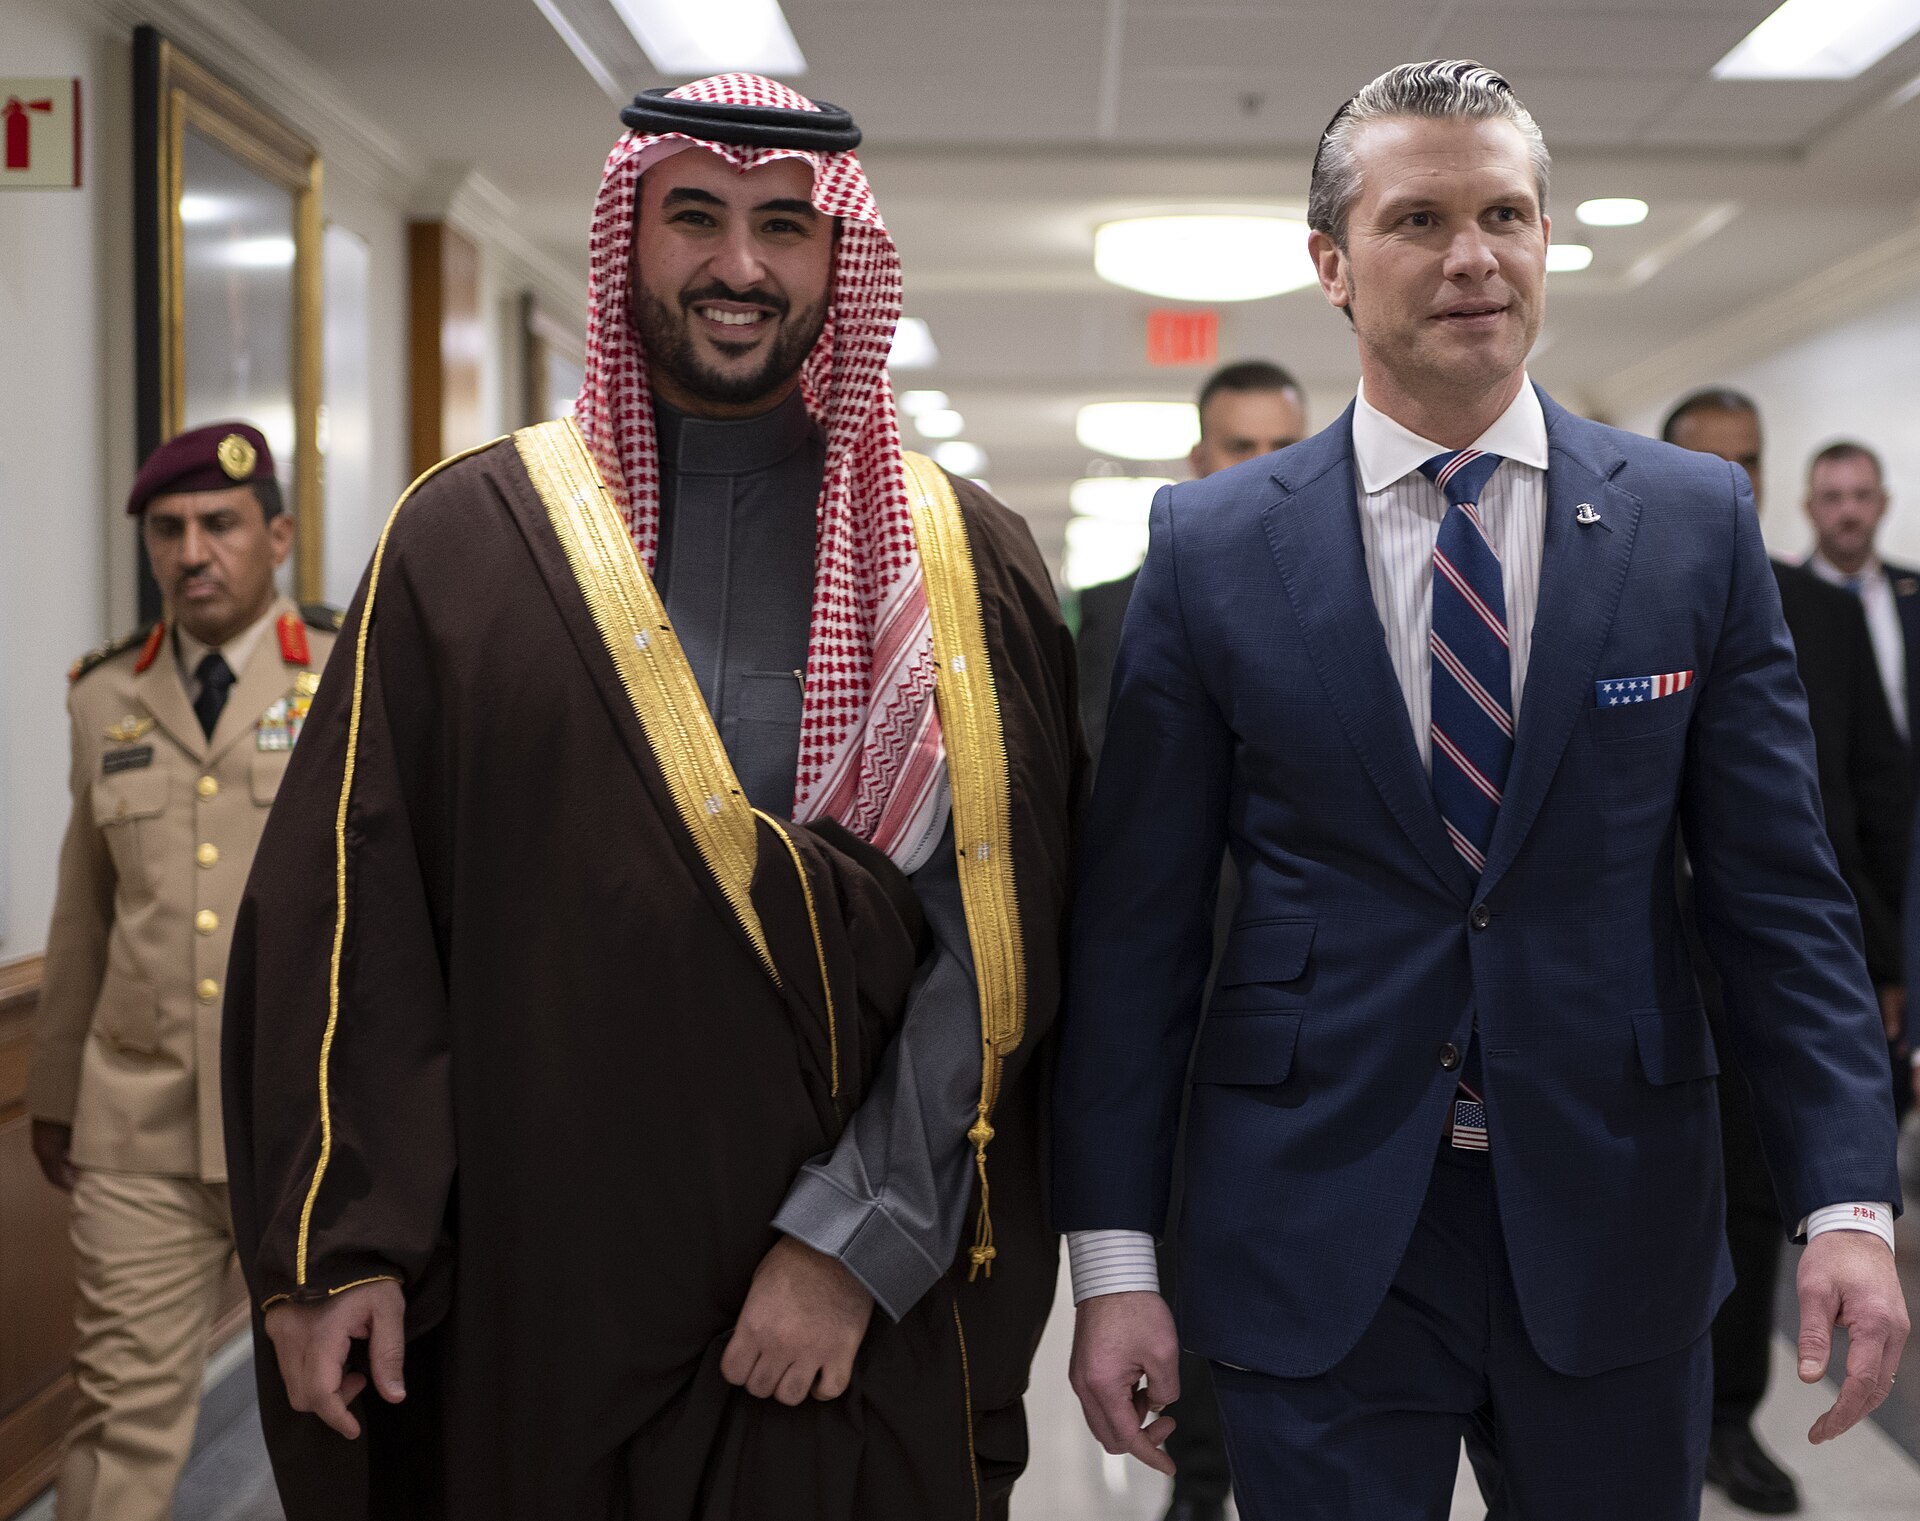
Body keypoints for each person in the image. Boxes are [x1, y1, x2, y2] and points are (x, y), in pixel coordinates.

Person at [1053, 59, 1908, 1521]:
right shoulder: (1210, 550)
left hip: (1614, 1215)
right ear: (1330, 262)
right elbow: (1139, 936)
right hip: (1315, 1221)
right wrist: (1119, 1265)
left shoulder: (1687, 528)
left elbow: (1782, 902)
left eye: (1507, 213)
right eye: (1419, 219)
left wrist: (1847, 1202)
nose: (1473, 257)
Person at [221, 75, 1081, 1521]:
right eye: (697, 217)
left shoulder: (958, 561)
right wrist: (337, 1242)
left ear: (837, 257)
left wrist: (853, 1243)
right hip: (535, 1285)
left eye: (781, 228)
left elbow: (1000, 952)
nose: (738, 267)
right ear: (630, 236)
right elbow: (350, 912)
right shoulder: (467, 543)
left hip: (843, 1317)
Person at [26, 422, 339, 1521]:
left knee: (344, 1408)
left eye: (219, 524)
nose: (192, 551)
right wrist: (56, 1093)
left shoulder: (348, 674)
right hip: (139, 1124)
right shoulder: (103, 696)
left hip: (312, 1121)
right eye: (169, 529)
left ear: (278, 537)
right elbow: (86, 911)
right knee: (123, 1412)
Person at [1664, 395, 1912, 1514]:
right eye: (1711, 462)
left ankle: (1728, 1421)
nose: (1738, 481)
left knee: (1759, 1201)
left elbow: (1869, 788)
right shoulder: (1609, 585)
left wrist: (1882, 963)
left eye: (1750, 463)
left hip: (1776, 957)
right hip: (1643, 958)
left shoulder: (1812, 603)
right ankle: (1654, 1414)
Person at [1077, 360, 1307, 760]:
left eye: (1283, 448)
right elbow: (1103, 760)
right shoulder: (1120, 608)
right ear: (1198, 460)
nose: (1264, 465)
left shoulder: (1348, 583)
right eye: (1240, 447)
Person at [1800, 439, 1920, 1125]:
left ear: (1883, 504)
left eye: (1861, 496)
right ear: (1810, 507)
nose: (1848, 513)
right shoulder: (1781, 600)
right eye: (1833, 497)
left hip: (1901, 841)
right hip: (1827, 841)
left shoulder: (1911, 595)